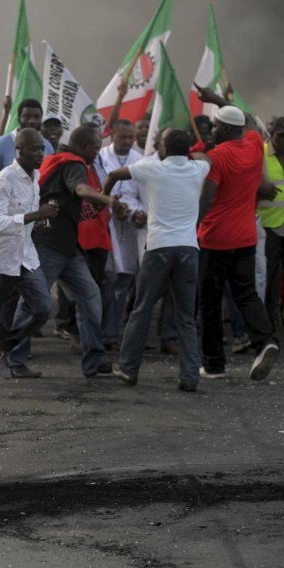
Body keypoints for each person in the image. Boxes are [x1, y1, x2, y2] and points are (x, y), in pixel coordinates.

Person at [15, 124, 127, 378]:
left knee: (89, 297)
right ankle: (13, 355)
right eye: (96, 148)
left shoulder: (56, 160)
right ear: (85, 146)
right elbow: (80, 189)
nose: (97, 153)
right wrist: (108, 199)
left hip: (67, 246)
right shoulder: (73, 164)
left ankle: (94, 360)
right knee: (33, 301)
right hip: (50, 244)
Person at [106, 130, 212, 391]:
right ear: (186, 150)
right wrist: (191, 149)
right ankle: (190, 376)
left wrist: (105, 198)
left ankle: (129, 369)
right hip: (188, 249)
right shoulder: (197, 169)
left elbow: (114, 175)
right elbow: (203, 156)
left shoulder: (150, 168)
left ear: (163, 146)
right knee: (186, 316)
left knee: (142, 310)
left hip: (158, 248)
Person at [195, 88, 279, 381]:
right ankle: (265, 342)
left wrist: (194, 227)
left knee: (209, 300)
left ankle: (214, 364)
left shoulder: (217, 157)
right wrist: (218, 100)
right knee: (246, 294)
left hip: (215, 238)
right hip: (246, 238)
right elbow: (251, 122)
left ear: (226, 129)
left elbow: (206, 199)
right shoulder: (255, 145)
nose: (213, 129)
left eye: (216, 125)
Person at [0, 128, 58, 378]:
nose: (40, 153)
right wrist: (35, 215)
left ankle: (0, 347)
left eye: (42, 148)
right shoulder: (4, 179)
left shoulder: (34, 177)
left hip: (24, 258)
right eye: (34, 149)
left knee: (42, 308)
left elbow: (21, 219)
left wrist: (37, 222)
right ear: (19, 151)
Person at [95, 119, 146, 351]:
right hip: (106, 225)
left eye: (130, 138)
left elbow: (142, 196)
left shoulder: (140, 160)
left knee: (123, 281)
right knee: (106, 281)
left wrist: (138, 213)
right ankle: (99, 333)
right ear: (111, 135)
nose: (126, 142)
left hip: (130, 228)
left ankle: (111, 334)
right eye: (122, 137)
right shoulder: (100, 158)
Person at [0, 99, 55, 224]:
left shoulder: (47, 145)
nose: (32, 120)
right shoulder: (2, 144)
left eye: (36, 117)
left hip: (38, 216)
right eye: (27, 116)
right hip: (9, 216)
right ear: (19, 118)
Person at [258, 117, 284, 332]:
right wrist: (258, 188)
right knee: (269, 276)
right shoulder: (260, 154)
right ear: (272, 135)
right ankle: (268, 321)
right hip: (268, 226)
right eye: (280, 136)